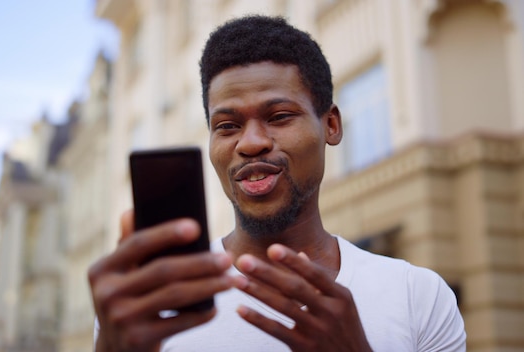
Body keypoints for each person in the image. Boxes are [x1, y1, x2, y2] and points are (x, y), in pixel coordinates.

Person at [88, 15, 466, 351]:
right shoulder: (153, 304)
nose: (251, 143)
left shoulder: (418, 296)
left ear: (330, 125)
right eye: (227, 126)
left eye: (280, 116)